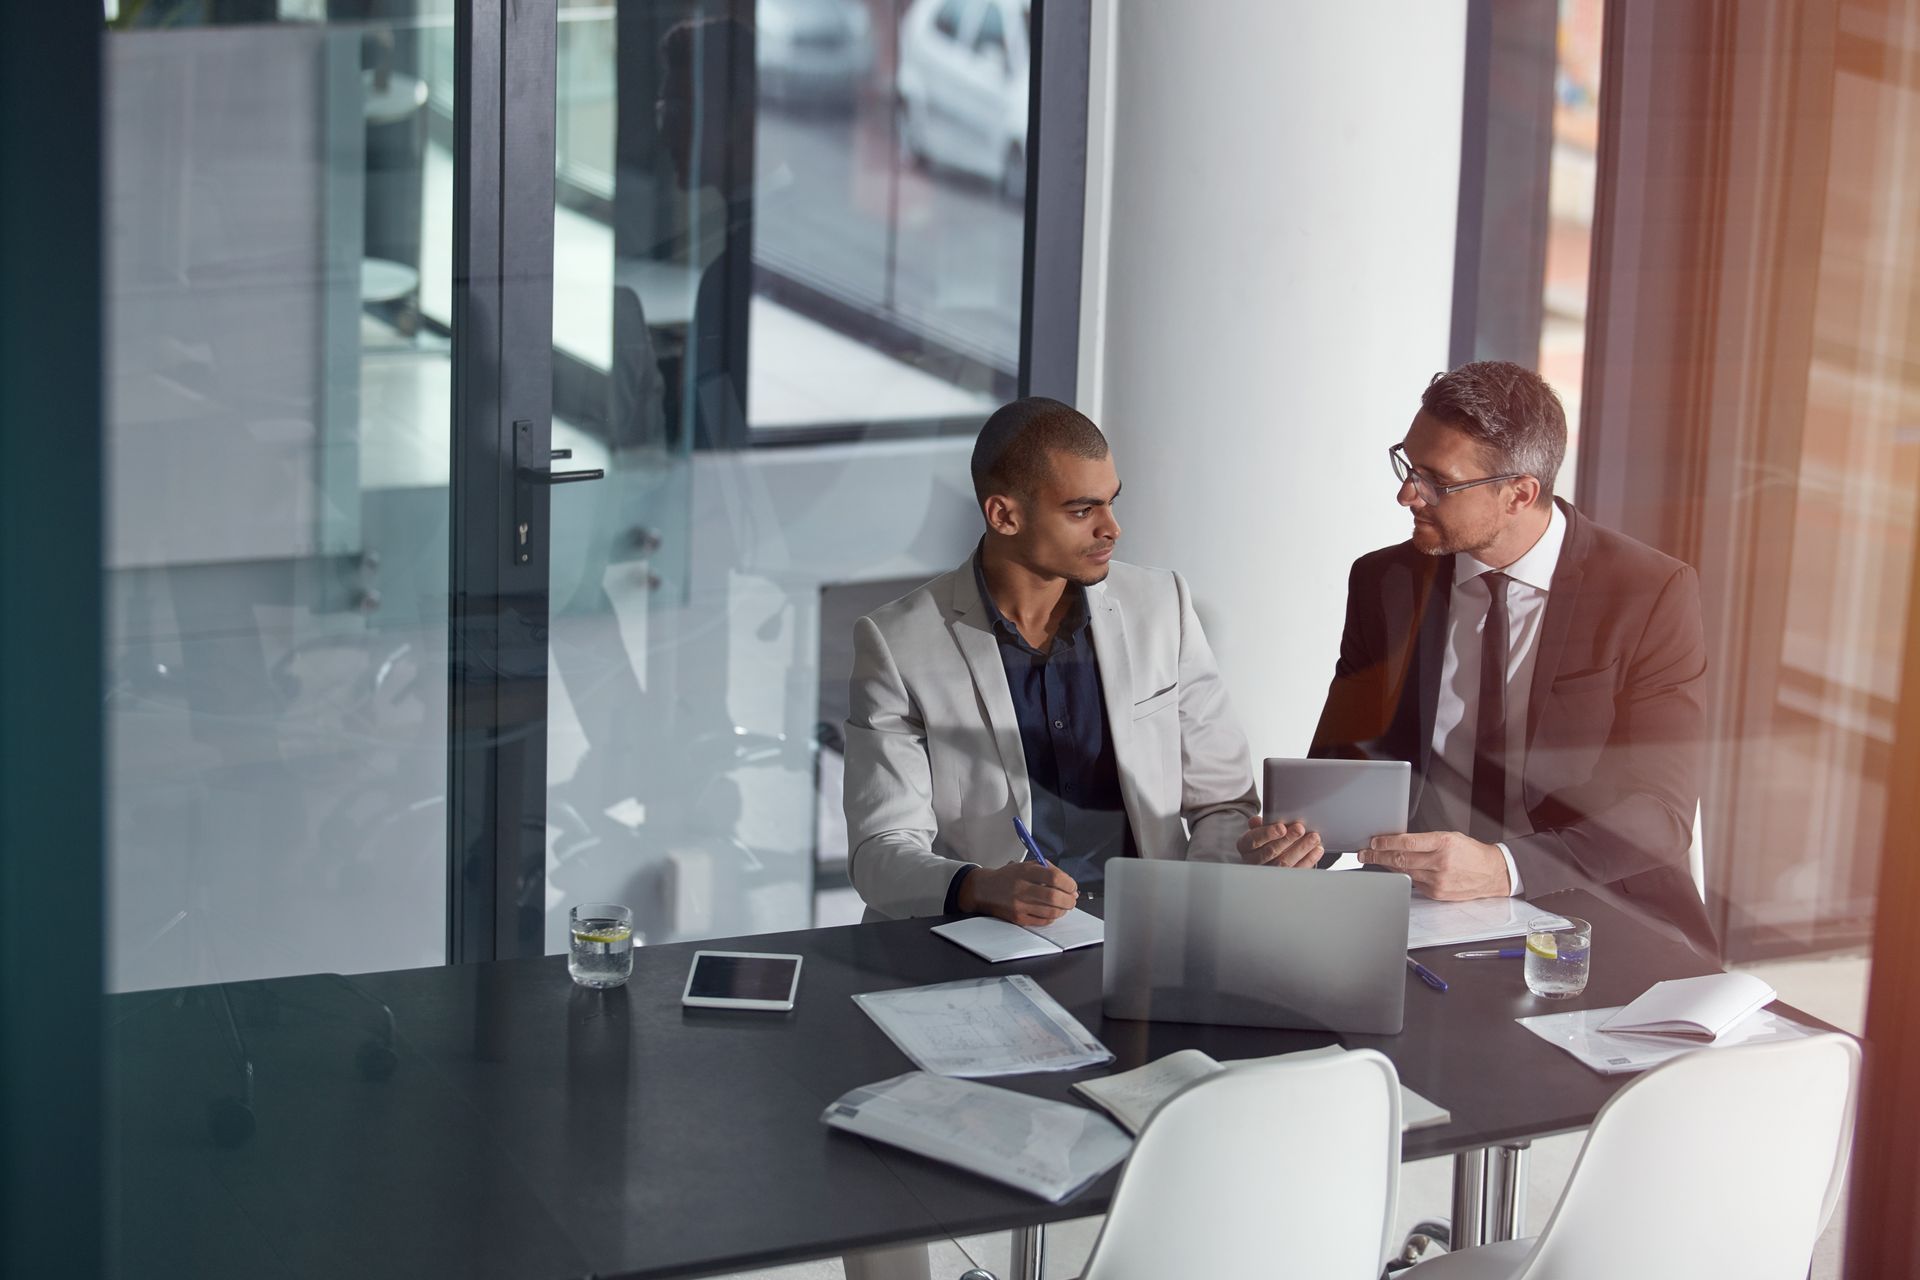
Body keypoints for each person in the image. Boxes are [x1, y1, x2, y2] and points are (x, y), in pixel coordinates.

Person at [1288, 360, 1714, 948]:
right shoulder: (1383, 580)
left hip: (1593, 911)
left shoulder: (1649, 593)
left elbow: (1662, 813)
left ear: (1519, 494)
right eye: (1408, 465)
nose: (1406, 493)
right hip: (1419, 911)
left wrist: (1503, 869)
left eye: (1437, 480)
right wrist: (1300, 842)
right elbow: (1345, 757)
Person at [842, 396, 1308, 926]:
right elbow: (879, 850)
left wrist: (1192, 904)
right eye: (1082, 510)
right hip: (981, 943)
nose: (1112, 528)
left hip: (1148, 933)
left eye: (1111, 502)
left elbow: (1224, 805)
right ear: (1005, 515)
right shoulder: (898, 642)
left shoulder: (1162, 606)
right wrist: (977, 887)